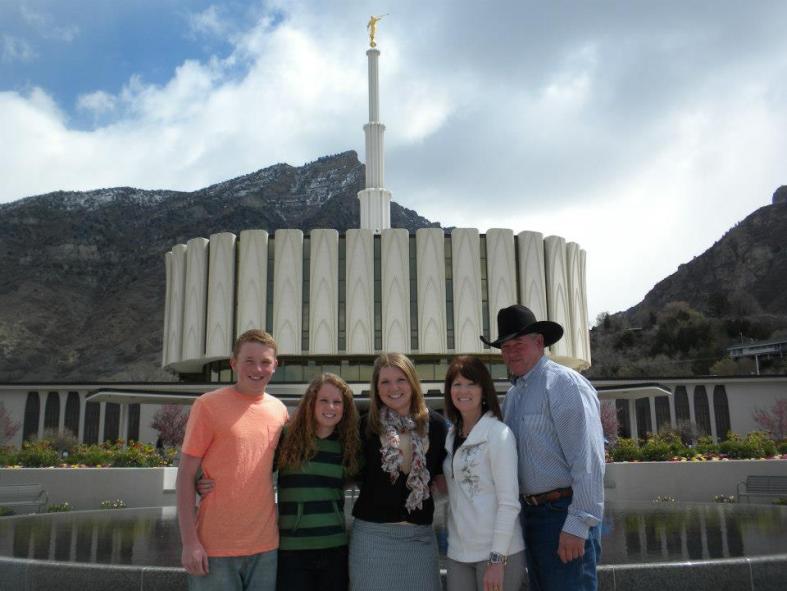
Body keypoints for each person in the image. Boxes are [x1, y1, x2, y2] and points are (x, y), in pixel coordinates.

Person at [198, 372, 361, 591]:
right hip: (292, 550)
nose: (330, 407)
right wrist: (200, 479)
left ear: (345, 407)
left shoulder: (347, 446)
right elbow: (251, 471)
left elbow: (358, 479)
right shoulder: (287, 439)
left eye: (337, 402)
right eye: (323, 400)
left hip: (334, 547)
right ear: (311, 403)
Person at [481, 305, 605, 591]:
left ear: (539, 342)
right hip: (532, 517)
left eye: (518, 344)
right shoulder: (513, 396)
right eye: (505, 346)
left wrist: (578, 523)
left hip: (563, 513)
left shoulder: (564, 384)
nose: (511, 352)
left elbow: (588, 459)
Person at [176, 329, 289, 591]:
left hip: (266, 548)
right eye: (249, 360)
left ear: (275, 366)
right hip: (214, 549)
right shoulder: (208, 406)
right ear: (233, 363)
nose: (257, 369)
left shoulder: (280, 411)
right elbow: (185, 474)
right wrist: (189, 543)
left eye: (265, 362)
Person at [349, 353, 448, 591]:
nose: (393, 387)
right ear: (376, 387)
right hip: (372, 538)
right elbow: (354, 473)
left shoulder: (435, 426)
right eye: (385, 382)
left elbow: (443, 474)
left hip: (419, 538)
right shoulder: (365, 427)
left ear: (412, 382)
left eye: (400, 380)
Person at [442, 356, 525, 591]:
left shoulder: (499, 434)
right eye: (457, 384)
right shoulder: (450, 436)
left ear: (483, 390)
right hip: (458, 552)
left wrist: (497, 560)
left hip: (497, 553)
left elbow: (509, 502)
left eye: (471, 384)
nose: (463, 391)